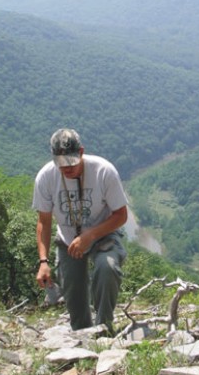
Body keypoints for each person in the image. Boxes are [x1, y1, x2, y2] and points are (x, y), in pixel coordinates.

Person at [33, 128, 129, 331]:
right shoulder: (46, 177)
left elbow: (121, 215)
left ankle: (104, 328)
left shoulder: (104, 171)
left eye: (71, 161)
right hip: (68, 240)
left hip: (103, 235)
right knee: (74, 297)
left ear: (81, 152)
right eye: (60, 163)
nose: (66, 168)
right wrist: (43, 261)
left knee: (107, 267)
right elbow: (44, 222)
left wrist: (91, 234)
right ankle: (83, 335)